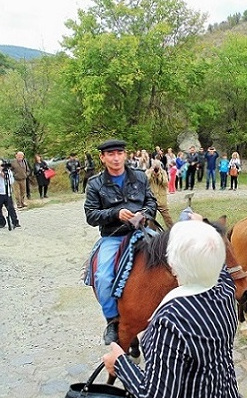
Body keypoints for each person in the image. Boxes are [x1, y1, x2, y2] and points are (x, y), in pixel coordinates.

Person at [102, 220, 241, 397]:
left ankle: (112, 317)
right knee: (103, 276)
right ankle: (112, 317)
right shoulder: (227, 290)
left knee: (102, 278)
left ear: (173, 265)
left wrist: (120, 364)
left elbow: (156, 395)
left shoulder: (169, 322)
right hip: (224, 391)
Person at [84, 139, 157, 344]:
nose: (115, 158)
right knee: (103, 277)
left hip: (142, 231)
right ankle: (113, 321)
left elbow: (151, 201)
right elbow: (91, 215)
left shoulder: (141, 177)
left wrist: (144, 214)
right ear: (103, 157)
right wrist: (116, 213)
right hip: (113, 236)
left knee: (171, 261)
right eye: (110, 154)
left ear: (125, 155)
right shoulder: (95, 184)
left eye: (119, 153)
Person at [0, 160, 21, 229]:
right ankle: (2, 223)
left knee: (11, 208)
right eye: (2, 165)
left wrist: (5, 177)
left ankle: (15, 222)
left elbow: (12, 181)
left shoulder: (8, 172)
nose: (3, 167)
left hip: (7, 193)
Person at [145, 160, 174, 228]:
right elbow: (146, 181)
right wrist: (151, 173)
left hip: (161, 198)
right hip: (152, 199)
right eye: (155, 166)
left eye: (157, 166)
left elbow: (166, 183)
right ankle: (152, 232)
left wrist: (159, 175)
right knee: (151, 218)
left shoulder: (163, 172)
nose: (156, 168)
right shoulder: (148, 172)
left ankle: (172, 229)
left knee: (167, 217)